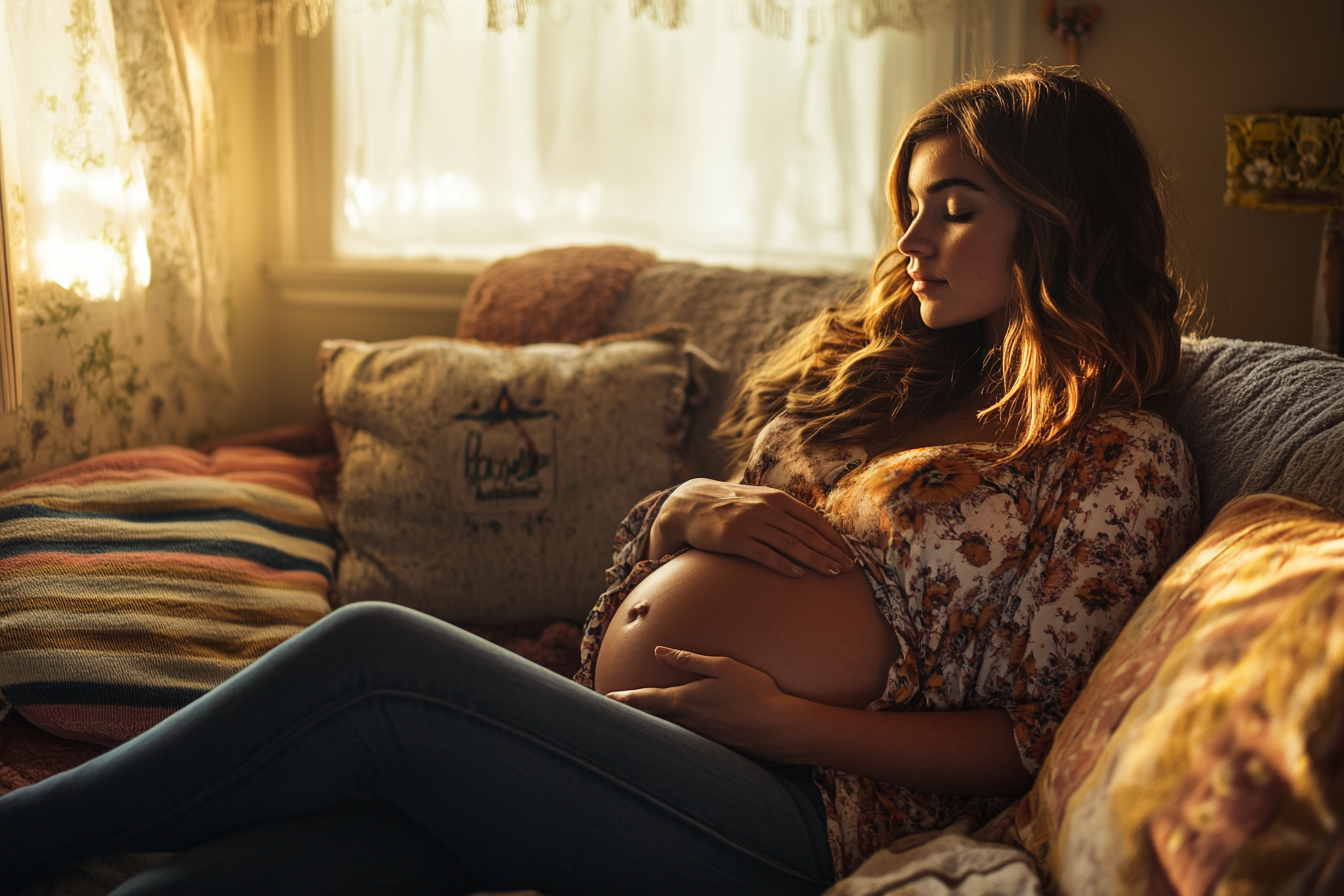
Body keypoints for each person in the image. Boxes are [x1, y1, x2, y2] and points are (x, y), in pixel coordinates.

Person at [0, 67, 1200, 896]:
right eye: (911, 210)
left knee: (375, 657)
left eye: (956, 208)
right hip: (646, 745)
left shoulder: (1116, 459)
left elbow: (1035, 735)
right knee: (184, 888)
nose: (916, 242)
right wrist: (682, 507)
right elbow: (689, 556)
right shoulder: (883, 380)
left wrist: (795, 723)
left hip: (797, 810)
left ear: (1056, 222)